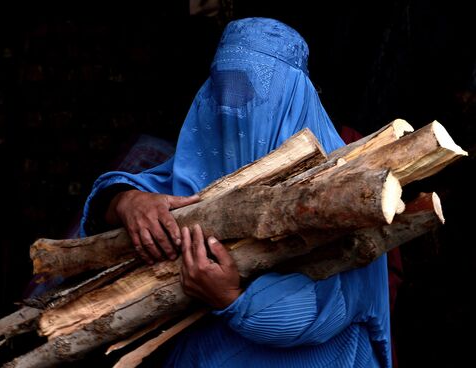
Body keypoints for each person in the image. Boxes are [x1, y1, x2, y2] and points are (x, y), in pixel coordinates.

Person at [80, 17, 392, 367]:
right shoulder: (197, 165)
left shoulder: (345, 186)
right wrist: (125, 201)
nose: (232, 106)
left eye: (252, 92)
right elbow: (116, 212)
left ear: (292, 99)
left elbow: (333, 307)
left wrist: (235, 300)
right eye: (222, 89)